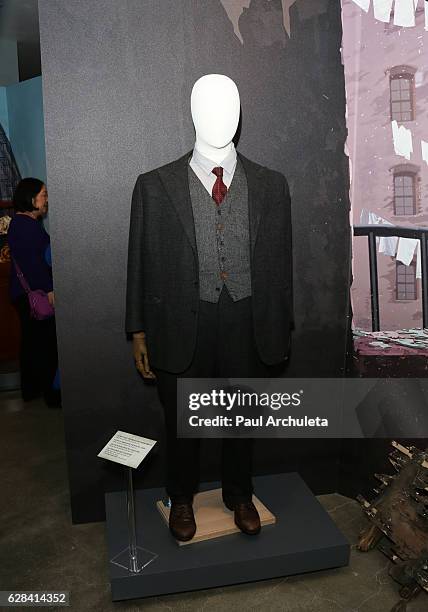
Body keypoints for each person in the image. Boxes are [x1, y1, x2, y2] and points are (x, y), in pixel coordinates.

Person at [7, 178, 61, 408]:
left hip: (26, 294)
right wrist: (49, 289)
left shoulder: (25, 224)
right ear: (31, 198)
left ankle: (32, 389)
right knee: (45, 344)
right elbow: (33, 264)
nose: (46, 200)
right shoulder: (24, 225)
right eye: (44, 194)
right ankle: (50, 393)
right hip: (34, 294)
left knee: (33, 343)